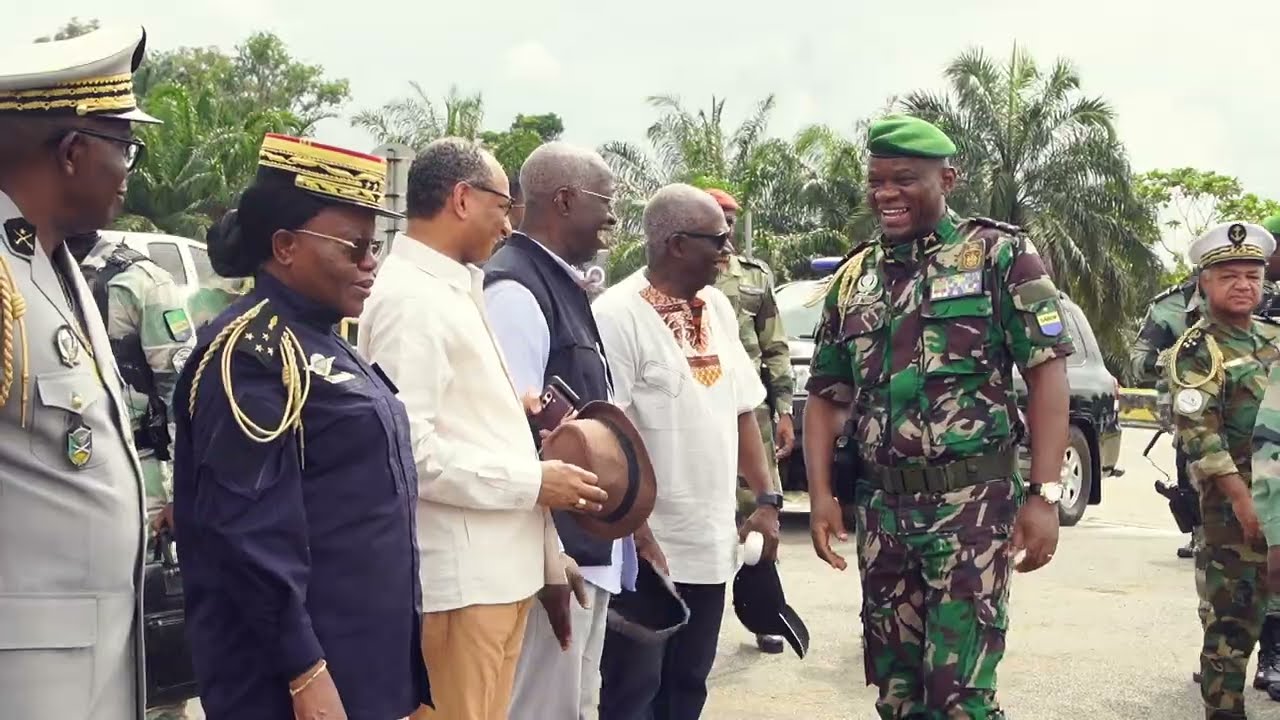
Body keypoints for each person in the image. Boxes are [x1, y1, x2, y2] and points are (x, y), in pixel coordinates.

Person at [803, 115, 1072, 719]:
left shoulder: (1000, 255)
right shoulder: (855, 277)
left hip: (972, 507)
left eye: (904, 179)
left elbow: (1047, 372)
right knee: (896, 694)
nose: (886, 194)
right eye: (876, 181)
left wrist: (1045, 495)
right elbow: (825, 393)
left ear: (947, 178)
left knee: (959, 697)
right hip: (884, 511)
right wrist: (822, 494)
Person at [171, 133, 429, 720]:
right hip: (295, 680)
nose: (371, 264)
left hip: (362, 665)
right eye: (354, 248)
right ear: (286, 246)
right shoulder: (252, 355)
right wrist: (304, 672)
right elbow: (247, 533)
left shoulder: (325, 340)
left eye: (374, 247)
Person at [357, 137, 605, 720]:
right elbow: (408, 454)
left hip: (494, 577)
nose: (509, 222)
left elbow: (479, 432)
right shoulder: (411, 300)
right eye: (503, 204)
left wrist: (546, 557)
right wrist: (533, 483)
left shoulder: (455, 288)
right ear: (463, 199)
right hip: (457, 585)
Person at [0, 25, 158, 720]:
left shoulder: (54, 263)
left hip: (92, 658)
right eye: (123, 145)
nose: (131, 168)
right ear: (71, 152)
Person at [485, 141, 665, 720]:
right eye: (605, 203)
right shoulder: (515, 290)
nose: (613, 218)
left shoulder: (560, 283)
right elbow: (511, 435)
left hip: (589, 548)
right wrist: (547, 558)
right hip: (556, 558)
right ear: (564, 200)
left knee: (578, 706)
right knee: (543, 708)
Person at [593, 182, 782, 720]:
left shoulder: (718, 307)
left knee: (688, 687)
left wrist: (767, 500)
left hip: (710, 543)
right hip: (651, 552)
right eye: (717, 241)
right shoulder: (617, 315)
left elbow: (744, 409)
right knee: (634, 696)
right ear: (676, 244)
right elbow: (611, 433)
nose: (728, 252)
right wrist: (638, 534)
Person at [69, 229, 197, 720]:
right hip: (55, 489)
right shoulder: (26, 271)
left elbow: (180, 391)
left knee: (148, 637)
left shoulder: (142, 281)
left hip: (138, 481)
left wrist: (180, 491)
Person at [1170, 221, 1280, 720]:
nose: (1244, 284)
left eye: (1253, 275)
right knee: (1233, 625)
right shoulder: (1196, 351)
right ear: (1204, 283)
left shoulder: (1275, 338)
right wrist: (1243, 501)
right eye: (1230, 275)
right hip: (1233, 513)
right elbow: (1202, 436)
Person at [707, 186, 795, 654]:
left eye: (728, 218)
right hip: (698, 412)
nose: (723, 228)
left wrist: (784, 411)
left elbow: (775, 349)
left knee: (761, 514)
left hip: (751, 414)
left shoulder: (755, 279)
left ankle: (764, 614)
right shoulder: (678, 272)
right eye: (714, 216)